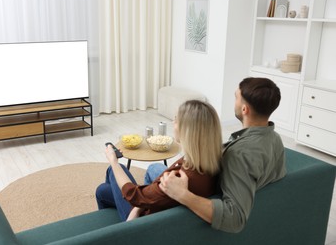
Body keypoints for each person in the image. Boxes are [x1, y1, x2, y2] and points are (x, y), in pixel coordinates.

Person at [149, 77, 286, 233]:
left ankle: (141, 211)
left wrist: (183, 195)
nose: (234, 101)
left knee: (152, 172)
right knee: (155, 169)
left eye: (236, 97)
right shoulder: (274, 138)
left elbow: (236, 219)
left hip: (198, 193)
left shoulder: (238, 155)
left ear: (244, 109)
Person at [95, 100, 223, 221]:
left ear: (187, 131)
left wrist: (114, 161)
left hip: (142, 221)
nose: (173, 121)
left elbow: (134, 195)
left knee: (111, 175)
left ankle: (114, 232)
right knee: (104, 188)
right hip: (151, 204)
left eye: (176, 120)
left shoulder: (177, 179)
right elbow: (154, 195)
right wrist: (144, 201)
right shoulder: (209, 161)